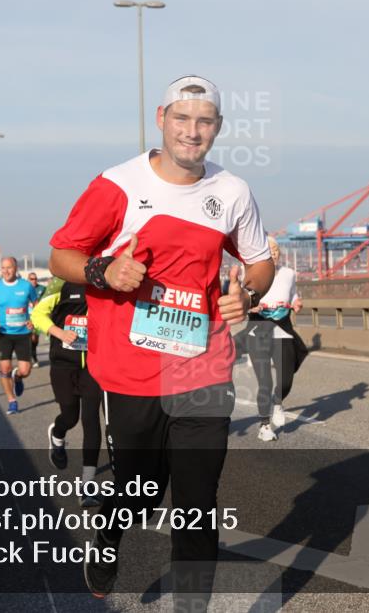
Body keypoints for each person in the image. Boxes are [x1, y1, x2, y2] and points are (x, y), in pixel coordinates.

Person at [49, 75, 275, 601]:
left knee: (197, 504)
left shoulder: (232, 191)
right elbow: (62, 256)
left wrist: (250, 295)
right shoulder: (118, 185)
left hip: (202, 364)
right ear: (161, 118)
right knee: (138, 494)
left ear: (217, 128)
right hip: (131, 371)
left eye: (203, 122)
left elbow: (259, 263)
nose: (191, 132)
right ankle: (107, 533)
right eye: (182, 119)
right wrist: (104, 272)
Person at [31, 277, 103, 507]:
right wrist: (59, 333)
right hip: (63, 363)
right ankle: (58, 433)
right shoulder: (60, 282)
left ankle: (87, 486)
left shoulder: (104, 280)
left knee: (91, 420)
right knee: (70, 417)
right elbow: (37, 315)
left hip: (94, 364)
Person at [242, 236, 305, 442]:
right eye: (269, 250)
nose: (273, 254)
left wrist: (296, 302)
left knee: (286, 379)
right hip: (258, 328)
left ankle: (278, 402)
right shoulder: (250, 276)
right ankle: (264, 425)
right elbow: (242, 302)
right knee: (265, 381)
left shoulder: (288, 274)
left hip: (282, 328)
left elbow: (293, 294)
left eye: (276, 251)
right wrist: (251, 306)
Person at [0, 257, 41, 415]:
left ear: (16, 268)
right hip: (4, 334)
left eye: (9, 267)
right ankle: (12, 401)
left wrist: (33, 320)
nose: (6, 271)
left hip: (23, 334)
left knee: (25, 370)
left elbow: (37, 306)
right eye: (3, 268)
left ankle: (19, 377)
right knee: (5, 368)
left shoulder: (26, 286)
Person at [27, 272, 46, 367]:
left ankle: (32, 354)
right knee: (29, 338)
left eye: (35, 279)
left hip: (37, 317)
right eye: (31, 279)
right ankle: (32, 357)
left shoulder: (42, 289)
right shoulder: (24, 289)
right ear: (28, 280)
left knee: (35, 339)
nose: (34, 281)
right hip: (27, 317)